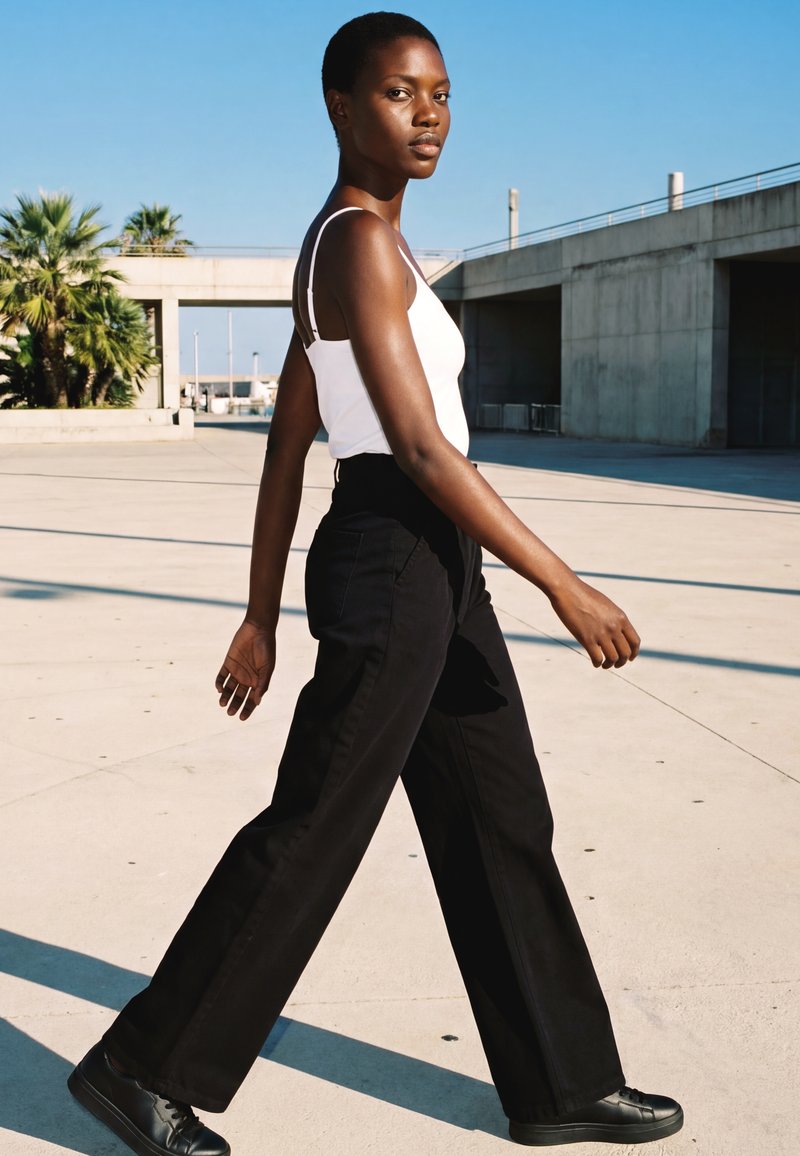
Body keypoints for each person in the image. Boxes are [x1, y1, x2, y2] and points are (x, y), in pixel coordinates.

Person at [67, 12, 683, 1154]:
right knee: (317, 822)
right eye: (400, 93)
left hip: (432, 561)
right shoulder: (348, 241)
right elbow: (413, 445)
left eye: (440, 93)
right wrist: (564, 583)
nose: (429, 113)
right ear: (341, 108)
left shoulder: (379, 251)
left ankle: (560, 1082)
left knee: (501, 814)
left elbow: (284, 444)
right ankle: (139, 1065)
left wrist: (258, 613)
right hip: (396, 554)